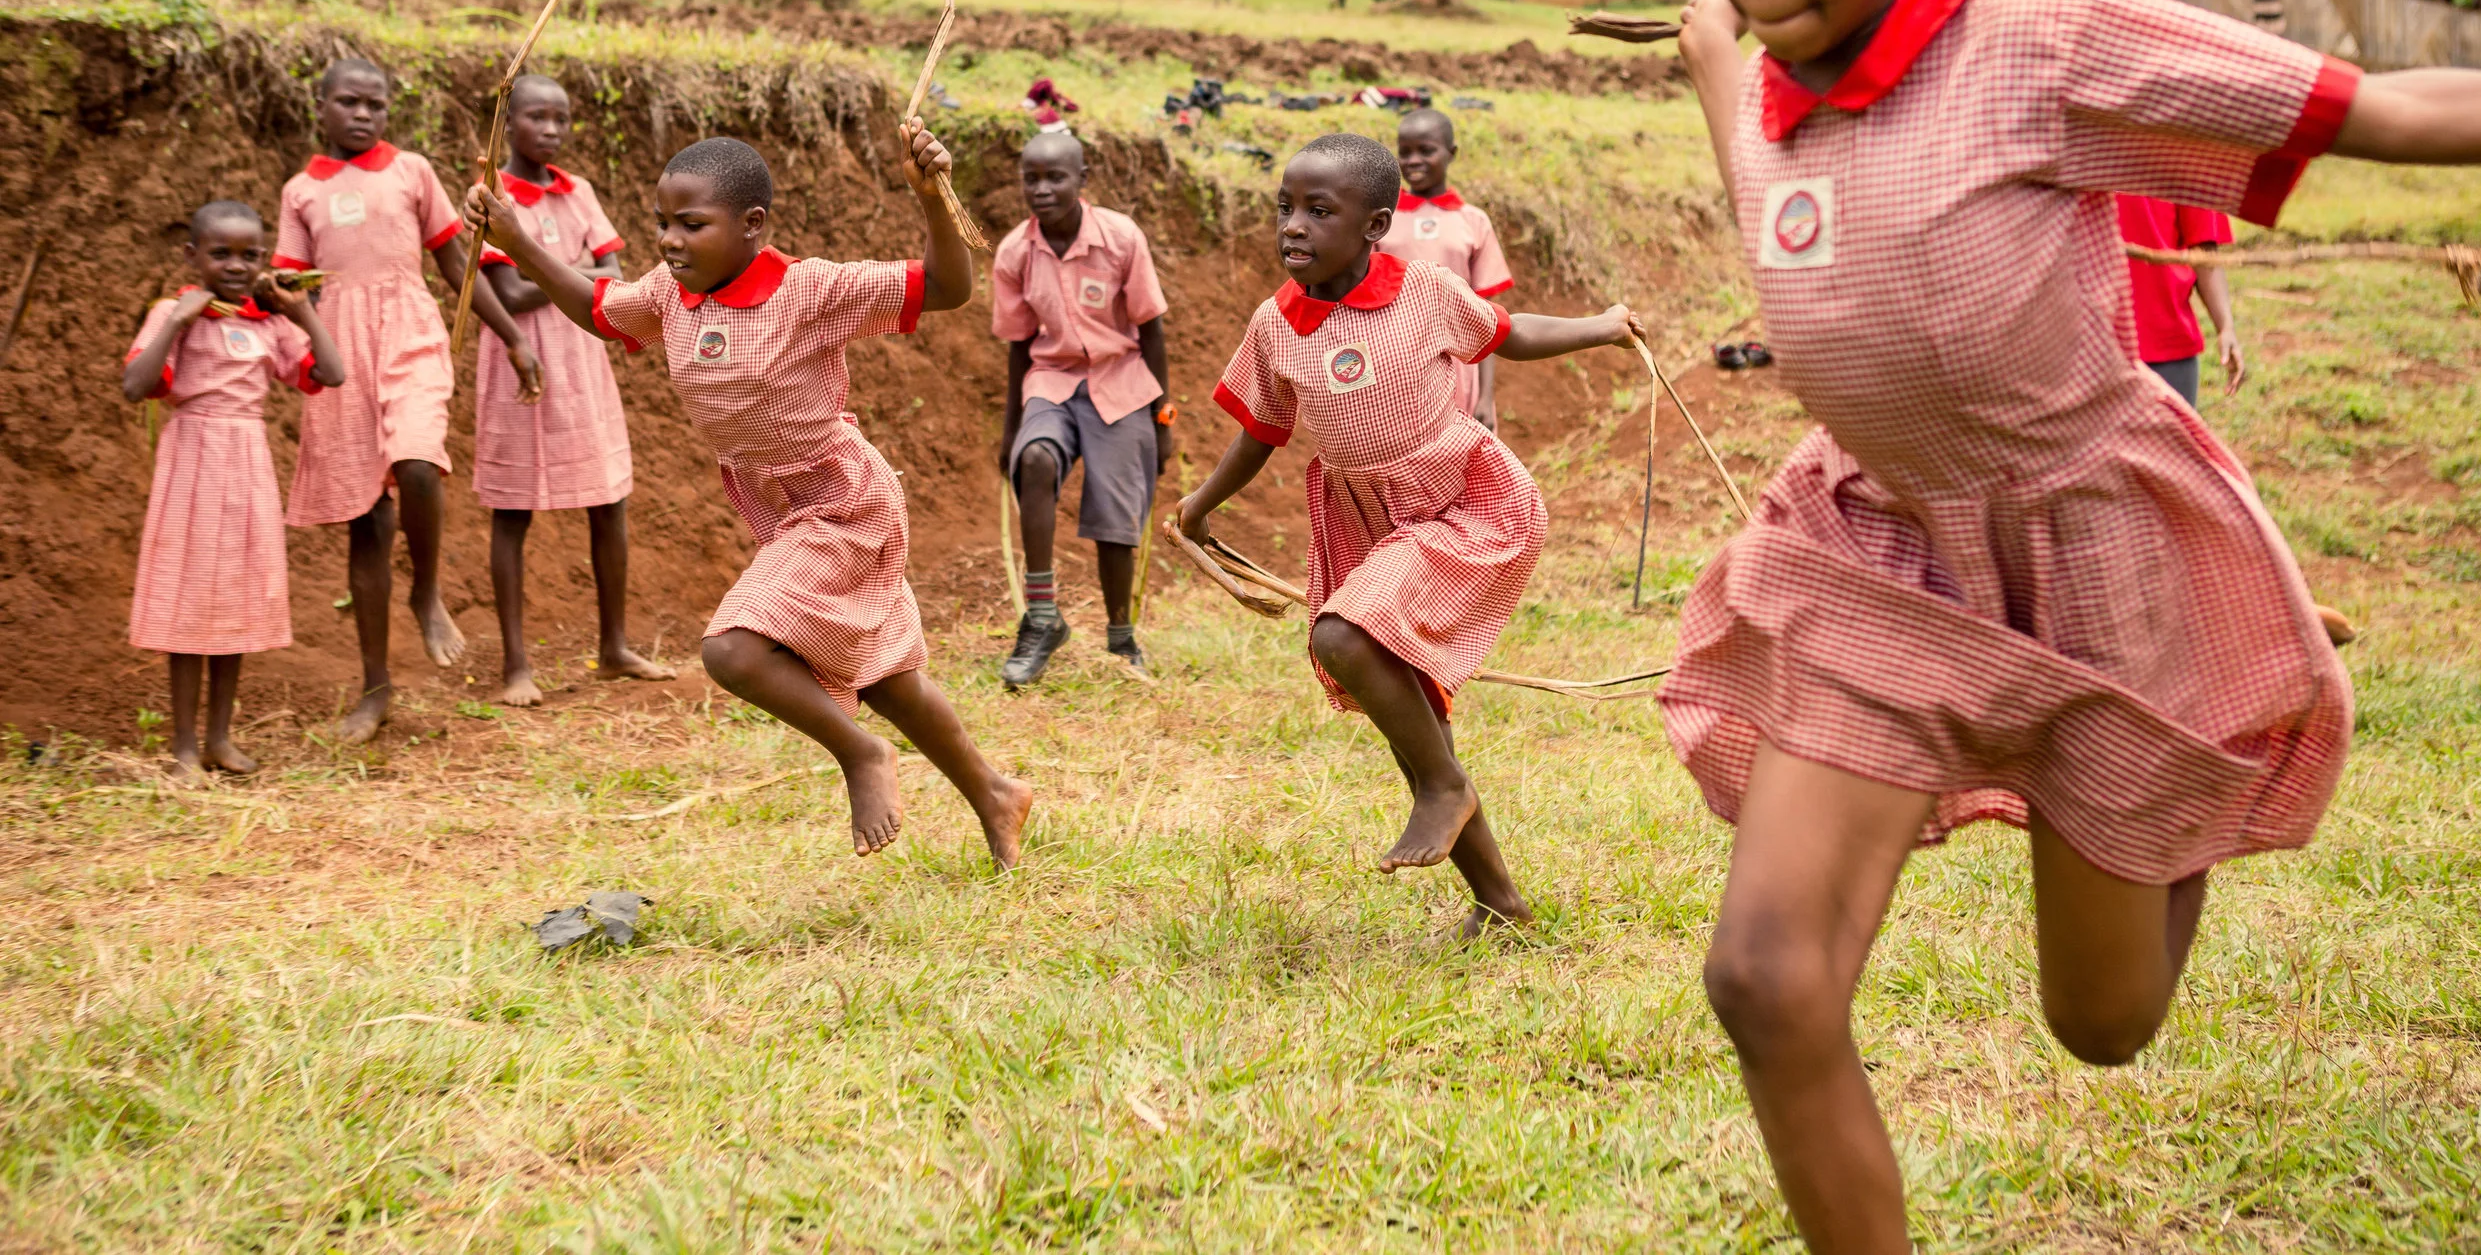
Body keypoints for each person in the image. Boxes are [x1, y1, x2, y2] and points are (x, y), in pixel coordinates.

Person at [1661, 0, 2481, 1254]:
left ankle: (2174, 785)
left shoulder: (2035, 43)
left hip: (2096, 551)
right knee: (1766, 979)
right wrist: (1721, 61)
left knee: (2103, 1024)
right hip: (1879, 549)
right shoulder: (1779, 86)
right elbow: (1774, 199)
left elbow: (2369, 111)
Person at [465, 126, 1035, 868]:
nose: (670, 240)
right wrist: (515, 238)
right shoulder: (673, 294)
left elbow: (949, 287)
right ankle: (996, 793)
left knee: (732, 647)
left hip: (844, 501)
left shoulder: (809, 289)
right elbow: (599, 309)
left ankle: (861, 756)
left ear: (752, 224)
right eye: (662, 223)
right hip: (782, 507)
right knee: (886, 677)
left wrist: (933, 197)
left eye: (691, 224)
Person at [1176, 134, 1641, 937]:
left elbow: (1509, 331)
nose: (1294, 226)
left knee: (1341, 636)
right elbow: (1261, 431)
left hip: (1461, 501)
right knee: (1413, 712)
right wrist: (1199, 505)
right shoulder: (1275, 324)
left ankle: (1444, 794)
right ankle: (1501, 903)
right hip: (1366, 519)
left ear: (1374, 225)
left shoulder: (1424, 291)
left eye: (1320, 212)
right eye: (1285, 208)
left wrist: (1600, 326)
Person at [275, 58, 542, 744]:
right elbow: (287, 288)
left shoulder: (411, 172)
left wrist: (512, 337)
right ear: (322, 107)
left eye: (376, 103)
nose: (363, 114)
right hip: (342, 351)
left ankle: (425, 590)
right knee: (367, 518)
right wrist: (292, 350)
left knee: (420, 461)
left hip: (411, 333)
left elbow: (456, 262)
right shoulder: (301, 190)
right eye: (349, 102)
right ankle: (375, 688)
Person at [123, 201, 345, 780]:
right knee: (189, 602)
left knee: (235, 601)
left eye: (251, 254)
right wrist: (177, 321)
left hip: (247, 469)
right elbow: (135, 385)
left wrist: (302, 313)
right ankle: (183, 749)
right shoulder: (172, 313)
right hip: (191, 464)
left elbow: (332, 373)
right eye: (220, 254)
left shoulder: (266, 323)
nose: (237, 266)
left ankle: (220, 739)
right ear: (192, 256)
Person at [474, 74, 675, 706]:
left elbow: (617, 275)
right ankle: (515, 664)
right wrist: (576, 277)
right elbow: (507, 294)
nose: (552, 130)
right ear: (508, 125)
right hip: (524, 362)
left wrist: (550, 273)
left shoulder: (578, 190)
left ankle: (613, 646)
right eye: (537, 117)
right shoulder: (491, 196)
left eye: (561, 119)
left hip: (583, 357)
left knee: (607, 500)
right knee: (512, 510)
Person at [993, 128, 1173, 685]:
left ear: (1082, 181)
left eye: (1055, 177)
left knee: (1116, 517)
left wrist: (1162, 420)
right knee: (1036, 460)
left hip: (1121, 384)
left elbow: (1152, 330)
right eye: (1031, 178)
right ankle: (1042, 617)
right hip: (1052, 381)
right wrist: (1012, 432)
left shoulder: (1121, 238)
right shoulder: (1016, 253)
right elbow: (1021, 347)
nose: (1042, 189)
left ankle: (1122, 640)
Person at [1379, 107, 1512, 432]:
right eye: (1405, 152)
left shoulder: (1472, 221)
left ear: (1451, 153)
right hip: (1395, 363)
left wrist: (1485, 396)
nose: (1413, 161)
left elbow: (1488, 317)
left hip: (1459, 365)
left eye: (1426, 150)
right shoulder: (1382, 220)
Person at [2116, 194, 2242, 407]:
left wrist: (2225, 327)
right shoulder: (2067, 162)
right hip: (2079, 345)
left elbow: (2203, 249)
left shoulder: (2184, 162)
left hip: (2166, 345)